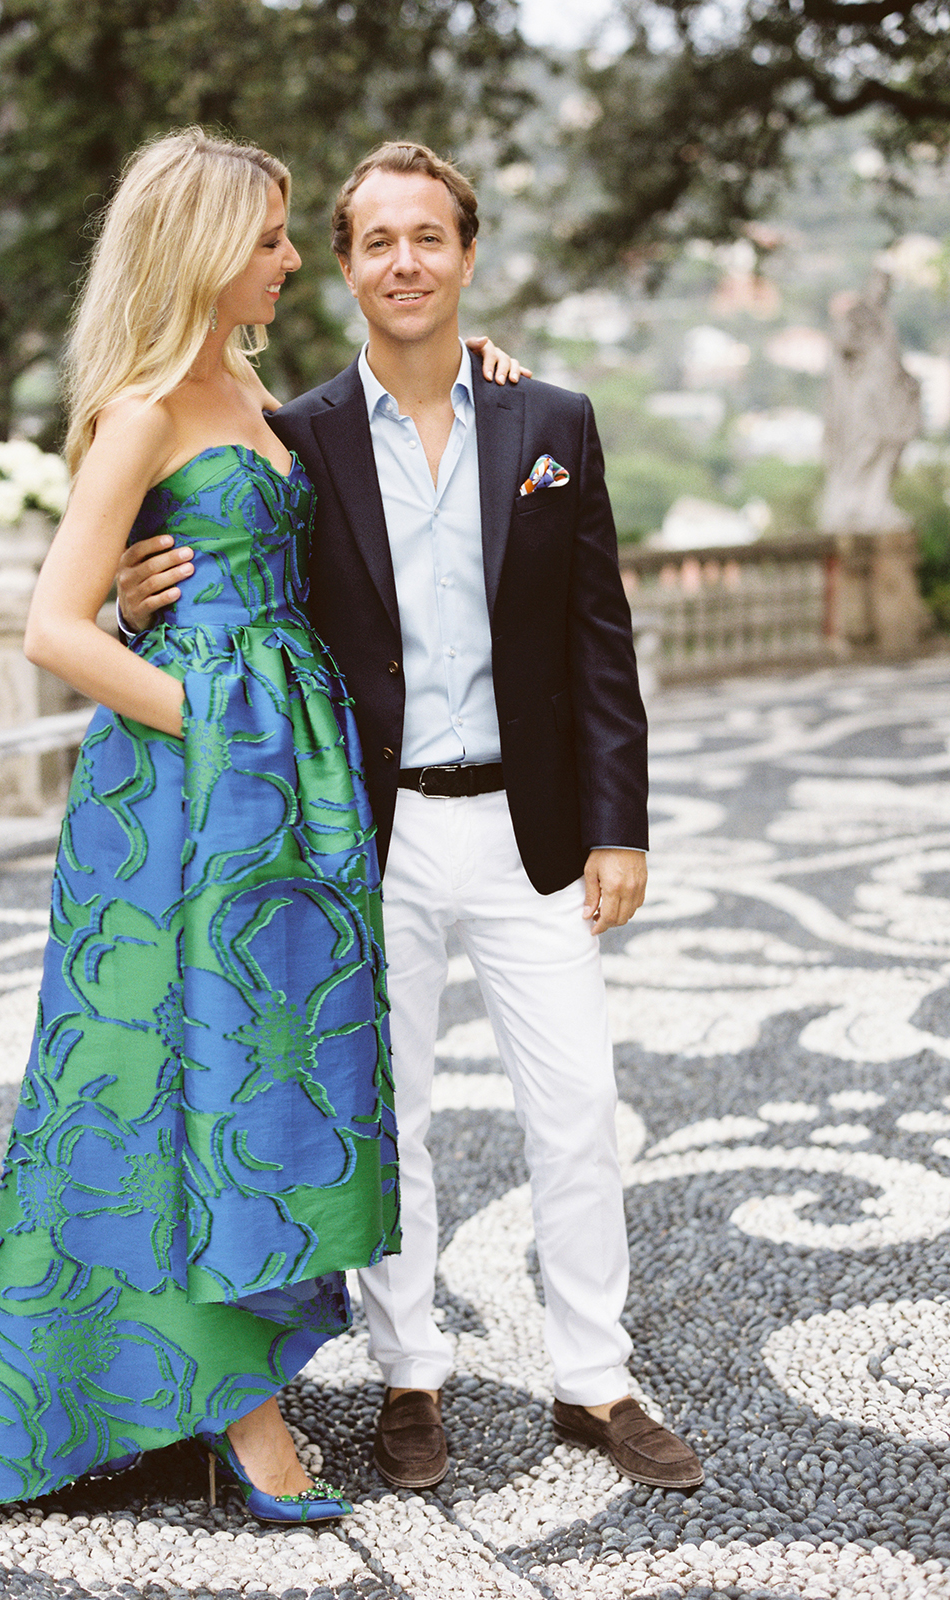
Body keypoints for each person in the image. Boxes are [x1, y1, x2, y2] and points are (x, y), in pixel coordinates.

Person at [117, 141, 705, 1494]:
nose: (405, 262)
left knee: (579, 1105)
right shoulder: (296, 437)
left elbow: (599, 639)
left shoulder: (551, 422)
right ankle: (409, 1371)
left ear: (467, 254)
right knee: (396, 1118)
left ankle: (595, 1378)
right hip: (366, 835)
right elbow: (229, 586)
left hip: (531, 830)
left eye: (428, 236)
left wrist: (621, 824)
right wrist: (135, 603)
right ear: (342, 265)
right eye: (376, 240)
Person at [0, 129, 404, 1523]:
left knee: (259, 1068)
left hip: (282, 782)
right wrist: (216, 725)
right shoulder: (142, 408)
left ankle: (205, 1379)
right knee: (161, 1073)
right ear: (202, 249)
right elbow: (54, 627)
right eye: (268, 237)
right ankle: (238, 1415)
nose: (289, 258)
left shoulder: (247, 386)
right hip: (189, 792)